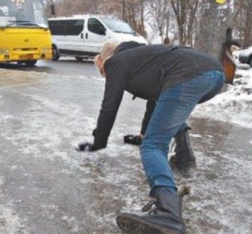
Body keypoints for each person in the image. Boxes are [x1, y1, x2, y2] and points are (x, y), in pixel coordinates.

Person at [77, 41, 225, 233]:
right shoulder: (145, 57)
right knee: (171, 108)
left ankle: (169, 214)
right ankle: (184, 155)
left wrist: (99, 140)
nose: (104, 74)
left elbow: (109, 105)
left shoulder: (117, 62)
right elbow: (156, 101)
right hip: (215, 75)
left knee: (153, 146)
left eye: (101, 69)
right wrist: (142, 133)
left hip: (189, 76)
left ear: (105, 59)